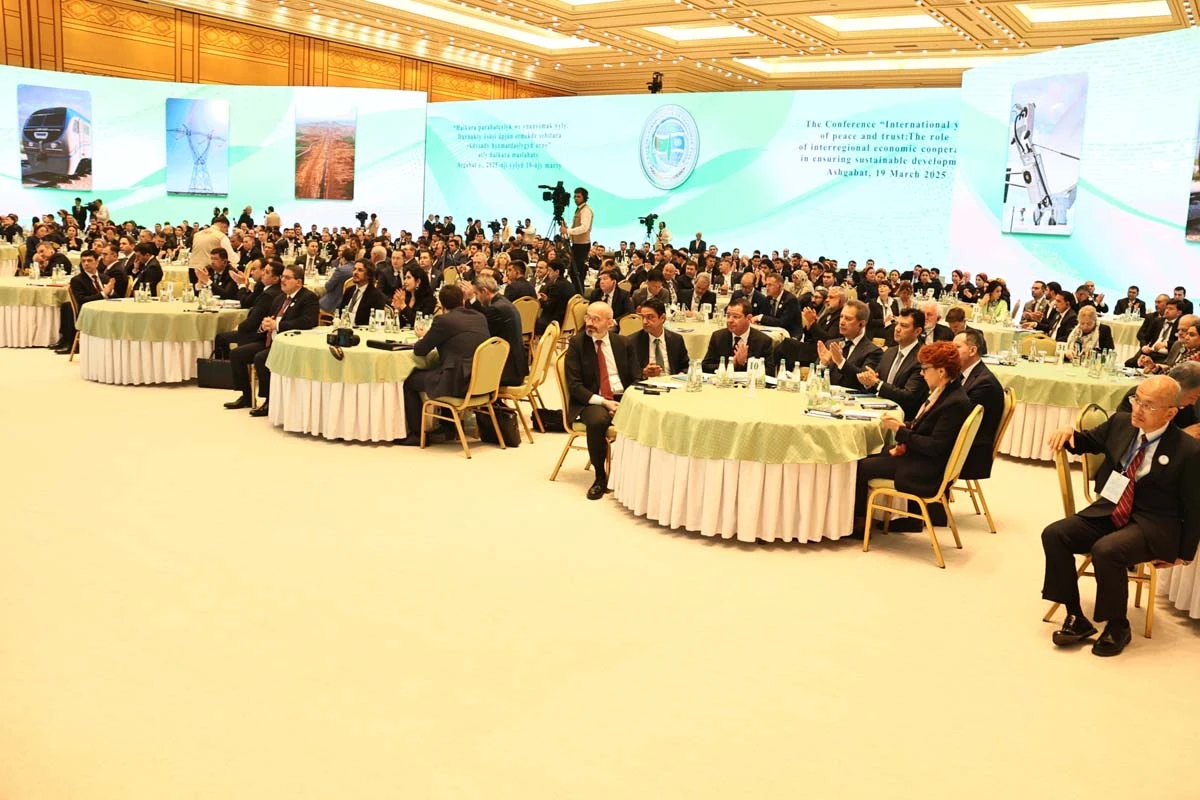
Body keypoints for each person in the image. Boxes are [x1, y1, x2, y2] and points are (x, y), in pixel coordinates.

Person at [1042, 375, 1200, 657]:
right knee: (1055, 534)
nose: (1138, 409)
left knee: (1107, 550)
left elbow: (1194, 506)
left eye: (1148, 405)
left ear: (1170, 413)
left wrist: (1185, 553)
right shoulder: (1121, 423)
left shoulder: (1188, 449)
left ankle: (1118, 625)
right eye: (1136, 400)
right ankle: (1075, 615)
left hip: (1153, 522)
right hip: (1112, 509)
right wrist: (1068, 430)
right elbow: (1085, 441)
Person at [853, 341, 973, 529]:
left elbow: (934, 446)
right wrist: (904, 428)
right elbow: (927, 427)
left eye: (925, 369)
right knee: (877, 451)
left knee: (862, 466)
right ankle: (908, 518)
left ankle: (859, 524)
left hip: (928, 469)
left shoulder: (954, 402)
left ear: (941, 371)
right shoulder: (946, 392)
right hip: (924, 458)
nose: (921, 374)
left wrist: (901, 432)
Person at [396, 284, 492, 446]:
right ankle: (448, 426)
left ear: (441, 306)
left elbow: (420, 350)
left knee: (410, 381)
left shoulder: (443, 320)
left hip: (458, 383)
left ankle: (417, 434)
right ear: (462, 300)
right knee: (442, 368)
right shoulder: (480, 317)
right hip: (482, 381)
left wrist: (425, 336)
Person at [563, 302, 639, 500]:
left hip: (623, 396)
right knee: (597, 421)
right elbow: (575, 386)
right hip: (591, 399)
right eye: (588, 317)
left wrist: (626, 403)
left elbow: (637, 378)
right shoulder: (577, 344)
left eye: (596, 319)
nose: (590, 323)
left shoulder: (623, 343)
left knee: (650, 415)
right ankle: (599, 476)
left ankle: (637, 475)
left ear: (610, 323)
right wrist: (605, 403)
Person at [224, 265, 320, 415]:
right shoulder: (280, 297)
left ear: (299, 282)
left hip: (287, 345)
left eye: (287, 278)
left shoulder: (308, 298)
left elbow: (307, 322)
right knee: (237, 354)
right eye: (282, 277)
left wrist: (278, 325)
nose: (283, 280)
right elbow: (271, 319)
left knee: (261, 358)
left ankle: (269, 401)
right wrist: (265, 325)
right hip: (269, 340)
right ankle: (246, 396)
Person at [855, 308, 928, 420]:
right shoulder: (890, 352)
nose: (897, 329)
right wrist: (868, 382)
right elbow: (877, 383)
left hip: (903, 418)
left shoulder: (922, 358)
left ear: (917, 331)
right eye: (897, 323)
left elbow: (909, 396)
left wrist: (877, 383)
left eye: (904, 326)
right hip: (878, 412)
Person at [953, 330, 1005, 482]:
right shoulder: (965, 374)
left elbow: (959, 419)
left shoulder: (984, 383)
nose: (951, 351)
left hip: (970, 452)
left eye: (957, 347)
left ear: (972, 350)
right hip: (961, 441)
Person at [214, 261, 282, 358]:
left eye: (267, 272)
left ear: (275, 279)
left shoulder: (268, 294)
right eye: (264, 271)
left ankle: (225, 366)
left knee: (221, 338)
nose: (263, 274)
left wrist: (240, 327)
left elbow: (255, 319)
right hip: (262, 331)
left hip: (258, 335)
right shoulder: (272, 290)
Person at [471, 276, 527, 388]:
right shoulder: (503, 301)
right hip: (516, 366)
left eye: (476, 294)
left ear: (484, 291)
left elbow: (485, 336)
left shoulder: (496, 309)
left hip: (508, 372)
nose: (476, 298)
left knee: (466, 375)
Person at [55, 250, 114, 354]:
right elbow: (82, 300)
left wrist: (111, 292)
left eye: (89, 260)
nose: (86, 263)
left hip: (108, 309)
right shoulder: (77, 280)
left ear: (97, 262)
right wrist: (103, 294)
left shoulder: (105, 277)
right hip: (89, 312)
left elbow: (116, 297)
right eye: (83, 261)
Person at [817, 300, 881, 391]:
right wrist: (823, 364)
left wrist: (841, 362)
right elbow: (815, 378)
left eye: (848, 319)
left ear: (862, 324)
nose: (842, 322)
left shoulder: (873, 351)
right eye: (841, 317)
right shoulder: (831, 344)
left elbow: (864, 379)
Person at [700, 297, 775, 374]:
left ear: (748, 318)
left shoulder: (763, 341)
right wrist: (732, 364)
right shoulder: (718, 337)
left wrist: (745, 363)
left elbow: (770, 372)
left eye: (735, 317)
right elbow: (705, 366)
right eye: (728, 316)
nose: (730, 320)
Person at [632, 298, 689, 378]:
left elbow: (686, 366)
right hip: (647, 383)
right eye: (643, 317)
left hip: (672, 381)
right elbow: (628, 373)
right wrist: (643, 373)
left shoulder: (676, 339)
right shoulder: (633, 341)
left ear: (662, 318)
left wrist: (679, 378)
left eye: (650, 317)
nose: (644, 322)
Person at [559, 186, 592, 294]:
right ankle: (577, 293)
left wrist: (568, 231)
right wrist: (567, 229)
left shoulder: (586, 210)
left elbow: (584, 227)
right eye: (575, 196)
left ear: (584, 197)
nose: (576, 199)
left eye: (578, 196)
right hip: (577, 244)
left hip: (582, 245)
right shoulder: (579, 210)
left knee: (576, 273)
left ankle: (579, 294)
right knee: (575, 272)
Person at [338, 260, 386, 326]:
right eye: (354, 269)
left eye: (360, 270)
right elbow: (341, 311)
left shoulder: (376, 296)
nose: (355, 272)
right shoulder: (349, 290)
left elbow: (378, 323)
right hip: (344, 326)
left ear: (368, 275)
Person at [535, 259, 575, 334]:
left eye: (550, 271)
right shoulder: (569, 284)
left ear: (557, 272)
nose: (548, 273)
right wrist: (547, 299)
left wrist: (539, 298)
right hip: (566, 320)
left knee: (530, 320)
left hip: (554, 321)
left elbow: (548, 307)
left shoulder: (556, 286)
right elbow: (557, 301)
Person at [756, 272, 800, 336]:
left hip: (789, 333)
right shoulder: (769, 298)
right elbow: (765, 314)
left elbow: (782, 323)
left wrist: (761, 318)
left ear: (780, 286)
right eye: (766, 285)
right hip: (773, 331)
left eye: (770, 285)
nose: (767, 288)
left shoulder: (791, 300)